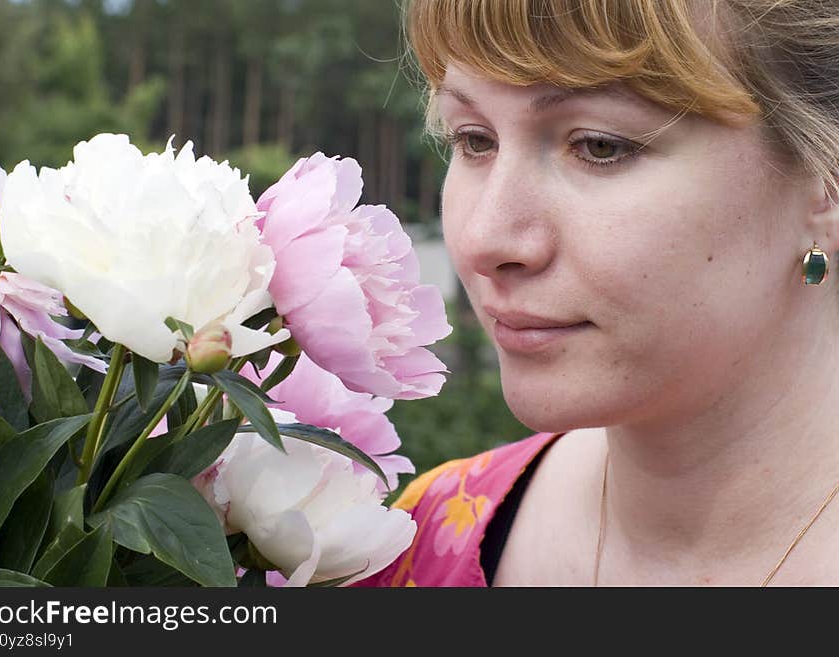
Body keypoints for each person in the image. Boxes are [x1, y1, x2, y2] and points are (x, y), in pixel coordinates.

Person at [354, 0, 839, 587]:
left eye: (599, 146)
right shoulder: (416, 541)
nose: (486, 239)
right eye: (474, 139)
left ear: (825, 183)